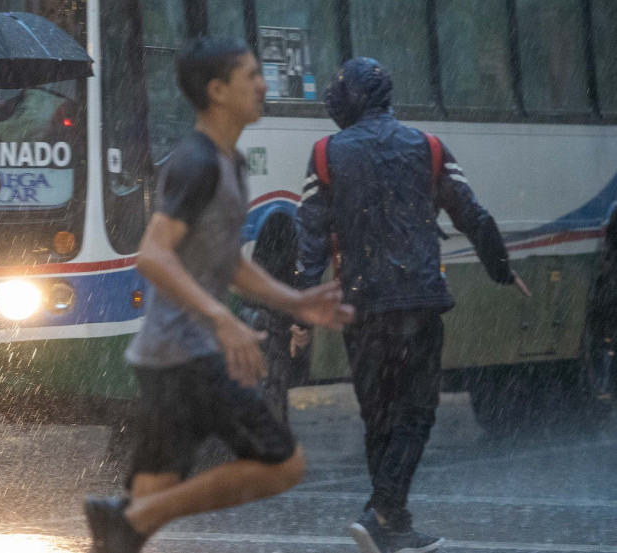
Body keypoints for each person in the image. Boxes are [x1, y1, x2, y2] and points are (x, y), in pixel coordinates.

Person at [83, 38, 355, 553]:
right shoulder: (196, 163)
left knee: (145, 505)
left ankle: (126, 521)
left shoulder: (231, 164)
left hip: (167, 356)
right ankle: (129, 519)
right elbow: (153, 254)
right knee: (283, 463)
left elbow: (226, 263)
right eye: (251, 75)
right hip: (188, 353)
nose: (263, 85)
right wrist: (220, 318)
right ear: (216, 91)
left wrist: (294, 302)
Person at [295, 57, 530, 553]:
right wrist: (501, 270)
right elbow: (474, 216)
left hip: (361, 307)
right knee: (416, 414)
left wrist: (299, 316)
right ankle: (383, 513)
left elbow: (310, 241)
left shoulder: (325, 154)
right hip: (419, 304)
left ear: (350, 99)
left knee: (378, 416)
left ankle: (393, 523)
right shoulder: (429, 148)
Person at [237, 211, 311, 421]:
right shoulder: (287, 280)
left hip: (255, 363)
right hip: (274, 356)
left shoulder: (255, 276)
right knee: (275, 408)